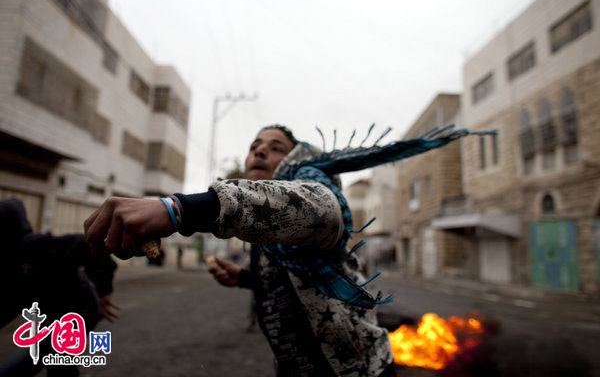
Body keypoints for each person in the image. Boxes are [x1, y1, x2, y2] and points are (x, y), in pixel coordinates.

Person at [84, 125, 396, 376]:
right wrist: (245, 278)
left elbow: (316, 209)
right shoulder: (261, 233)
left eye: (277, 148)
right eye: (255, 146)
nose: (260, 150)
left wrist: (178, 210)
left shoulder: (314, 193)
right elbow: (285, 279)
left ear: (295, 163)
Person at [0, 198, 120, 376]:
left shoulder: (33, 245)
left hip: (79, 311)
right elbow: (13, 301)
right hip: (53, 317)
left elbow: (91, 247)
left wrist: (104, 292)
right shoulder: (10, 266)